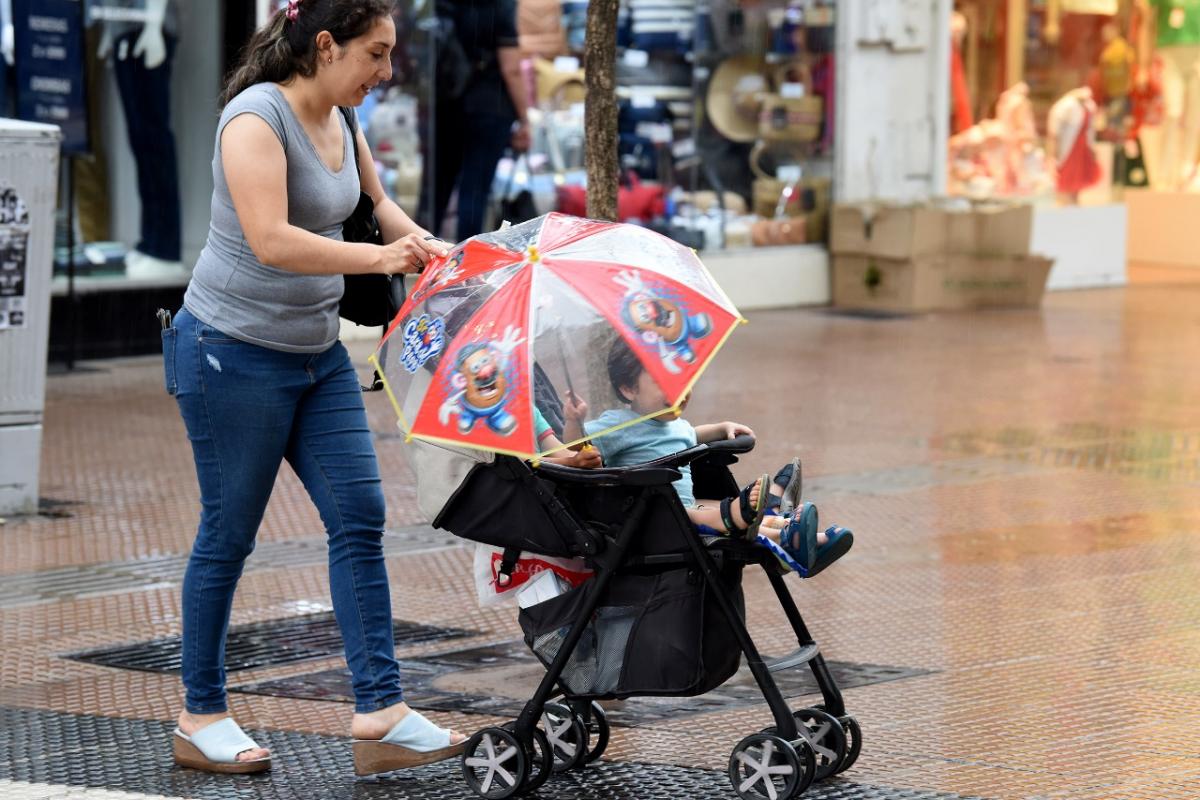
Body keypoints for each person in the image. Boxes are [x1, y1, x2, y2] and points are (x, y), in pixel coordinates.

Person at [163, 0, 465, 777]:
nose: (386, 71)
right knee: (228, 535)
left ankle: (382, 711)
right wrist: (382, 263)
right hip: (230, 354)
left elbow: (374, 210)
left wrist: (432, 250)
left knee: (360, 515)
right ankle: (201, 716)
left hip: (313, 353)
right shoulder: (254, 119)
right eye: (375, 53)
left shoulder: (344, 117)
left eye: (391, 54)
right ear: (325, 45)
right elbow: (271, 241)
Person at [587, 338, 852, 573]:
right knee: (708, 514)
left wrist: (720, 429)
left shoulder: (673, 425)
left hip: (683, 504)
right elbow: (574, 448)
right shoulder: (616, 425)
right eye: (662, 381)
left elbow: (691, 434)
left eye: (682, 379)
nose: (680, 389)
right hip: (649, 517)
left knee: (704, 507)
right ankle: (754, 519)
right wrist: (573, 421)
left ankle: (794, 534)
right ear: (628, 389)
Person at [419, 0, 531, 240]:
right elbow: (511, 67)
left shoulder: (442, 4)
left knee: (438, 187)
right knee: (474, 191)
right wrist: (525, 118)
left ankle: (424, 258)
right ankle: (466, 263)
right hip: (489, 105)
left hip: (446, 101)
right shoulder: (501, 6)